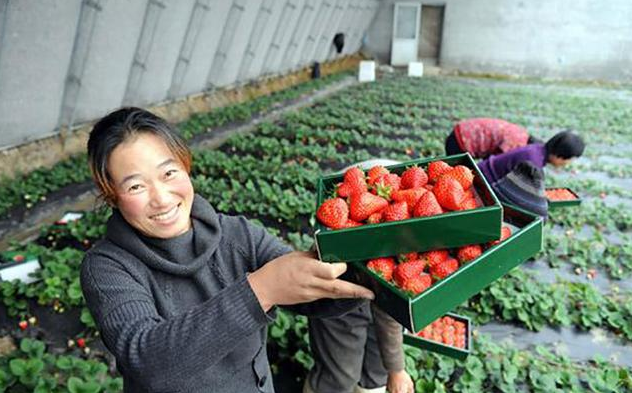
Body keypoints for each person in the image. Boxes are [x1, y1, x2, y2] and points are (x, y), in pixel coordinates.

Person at [79, 107, 374, 393]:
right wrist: (261, 290)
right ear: (112, 197)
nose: (161, 198)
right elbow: (149, 364)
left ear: (186, 166)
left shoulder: (236, 235)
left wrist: (365, 265)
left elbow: (310, 294)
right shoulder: (108, 268)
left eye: (168, 173)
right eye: (135, 187)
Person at [305, 159, 414, 393]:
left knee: (376, 373)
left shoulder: (421, 214)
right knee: (340, 375)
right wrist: (397, 370)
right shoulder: (390, 237)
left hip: (374, 271)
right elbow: (389, 310)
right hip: (339, 292)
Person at [477, 130, 585, 186]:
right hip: (482, 181)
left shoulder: (537, 149)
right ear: (560, 155)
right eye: (570, 159)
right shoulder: (534, 162)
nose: (568, 163)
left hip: (482, 172)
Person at [445, 118, 575, 159]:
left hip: (461, 132)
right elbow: (494, 161)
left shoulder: (522, 134)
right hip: (461, 141)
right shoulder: (517, 143)